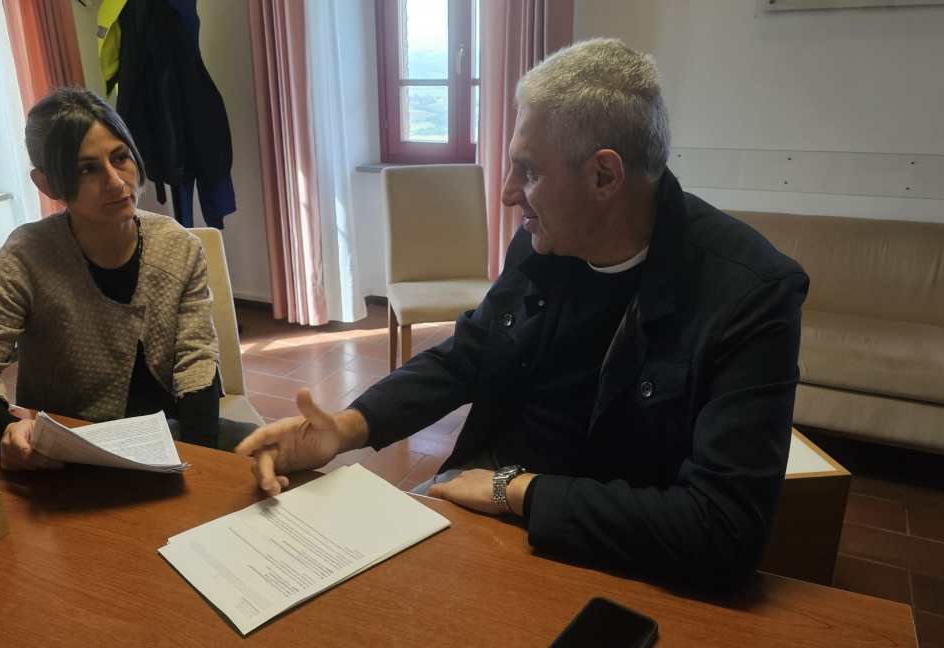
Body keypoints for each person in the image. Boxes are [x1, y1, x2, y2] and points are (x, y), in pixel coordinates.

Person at [236, 38, 809, 588]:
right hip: (483, 512)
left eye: (529, 171)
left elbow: (725, 531)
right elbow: (468, 354)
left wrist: (513, 491)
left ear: (604, 176)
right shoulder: (543, 244)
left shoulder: (751, 294)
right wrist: (345, 429)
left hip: (612, 553)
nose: (508, 193)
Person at [0, 88, 254, 471]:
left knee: (272, 454)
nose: (117, 183)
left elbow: (196, 361)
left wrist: (201, 467)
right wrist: (5, 431)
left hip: (170, 435)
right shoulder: (27, 256)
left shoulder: (178, 248)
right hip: (70, 447)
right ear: (47, 184)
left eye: (120, 158)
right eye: (87, 169)